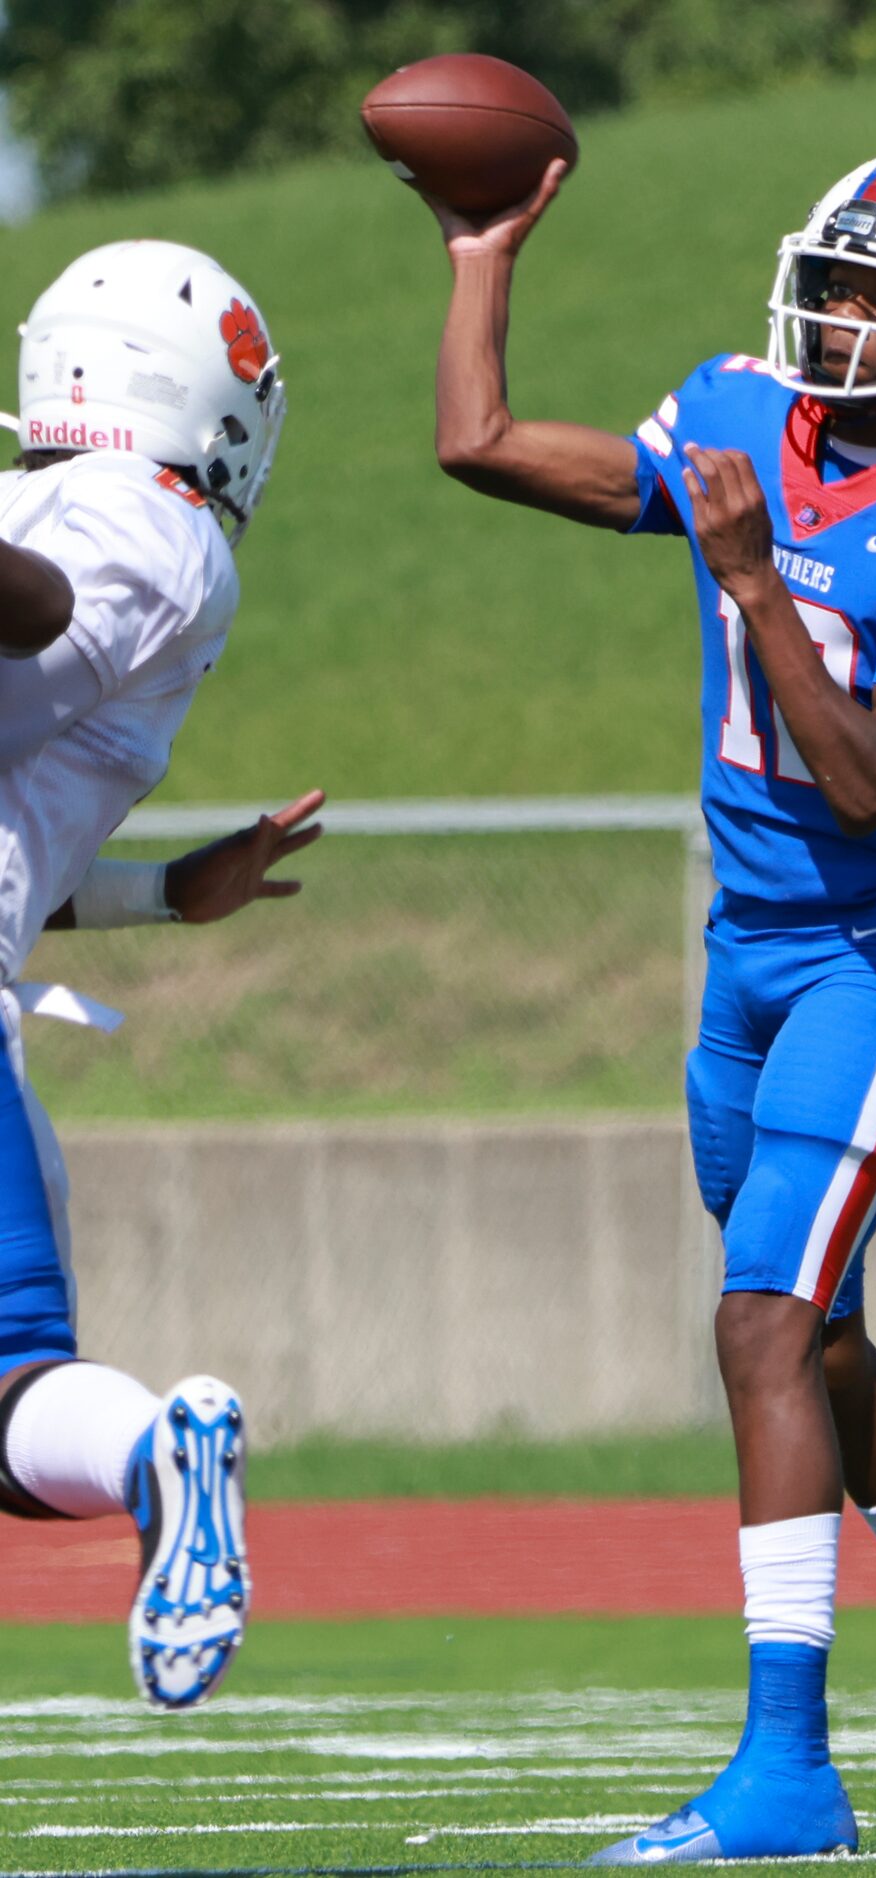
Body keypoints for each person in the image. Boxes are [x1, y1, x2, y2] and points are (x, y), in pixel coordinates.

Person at [425, 149, 876, 1855]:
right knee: (811, 1330)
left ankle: (787, 1770)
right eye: (836, 275)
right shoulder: (749, 408)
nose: (840, 313)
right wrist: (479, 255)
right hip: (744, 948)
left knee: (754, 1321)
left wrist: (747, 577)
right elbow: (483, 446)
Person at [0, 238, 322, 1711]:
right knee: (11, 1398)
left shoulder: (140, 525)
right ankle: (151, 1454)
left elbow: (40, 607)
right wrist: (157, 897)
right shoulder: (133, 518)